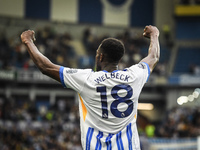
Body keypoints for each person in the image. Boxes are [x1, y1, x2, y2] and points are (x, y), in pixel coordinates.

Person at [21, 25, 160, 150]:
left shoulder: (87, 79)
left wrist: (28, 41)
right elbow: (153, 56)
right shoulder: (134, 76)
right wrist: (154, 34)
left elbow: (46, 67)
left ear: (100, 57)